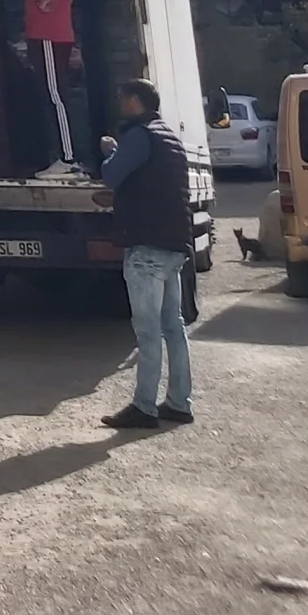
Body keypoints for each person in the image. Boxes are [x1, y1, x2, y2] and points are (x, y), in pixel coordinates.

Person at [98, 77, 194, 432]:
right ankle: (179, 402)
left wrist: (111, 150)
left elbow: (112, 175)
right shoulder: (169, 137)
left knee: (148, 331)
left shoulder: (140, 136)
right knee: (173, 326)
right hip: (174, 243)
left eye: (123, 99)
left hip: (147, 246)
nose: (120, 105)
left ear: (136, 101)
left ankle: (144, 407)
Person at [23, 0, 83, 172]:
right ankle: (64, 157)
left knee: (54, 94)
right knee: (56, 92)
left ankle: (67, 159)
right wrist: (63, 7)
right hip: (60, 30)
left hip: (45, 32)